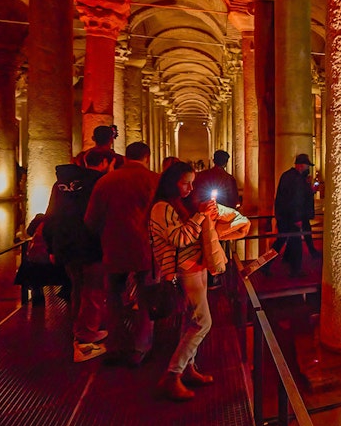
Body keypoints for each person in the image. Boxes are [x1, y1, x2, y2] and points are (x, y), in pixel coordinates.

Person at [84, 141, 160, 367]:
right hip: (147, 248)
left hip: (114, 247)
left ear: (125, 157)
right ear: (147, 157)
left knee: (114, 298)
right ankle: (140, 347)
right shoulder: (155, 180)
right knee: (147, 297)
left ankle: (116, 345)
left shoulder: (106, 181)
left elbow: (91, 220)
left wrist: (107, 233)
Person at [149, 161, 219, 401]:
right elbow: (180, 239)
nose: (190, 188)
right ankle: (173, 374)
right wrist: (200, 216)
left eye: (192, 183)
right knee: (203, 322)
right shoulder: (162, 208)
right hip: (184, 271)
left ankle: (188, 367)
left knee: (191, 320)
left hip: (195, 267)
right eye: (185, 183)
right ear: (172, 183)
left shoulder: (177, 205)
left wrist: (204, 215)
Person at [43, 150, 113, 361]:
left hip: (65, 245)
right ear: (105, 162)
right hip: (90, 245)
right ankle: (85, 343)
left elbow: (51, 216)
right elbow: (103, 218)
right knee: (93, 292)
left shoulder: (61, 184)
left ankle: (80, 330)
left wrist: (51, 247)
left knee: (78, 288)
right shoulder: (100, 183)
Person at [272, 153, 318, 275]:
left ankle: (266, 264)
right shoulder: (297, 179)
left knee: (280, 242)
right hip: (292, 217)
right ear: (301, 165)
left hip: (284, 216)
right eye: (307, 166)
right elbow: (296, 200)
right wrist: (297, 218)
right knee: (296, 243)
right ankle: (295, 270)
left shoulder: (287, 175)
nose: (308, 168)